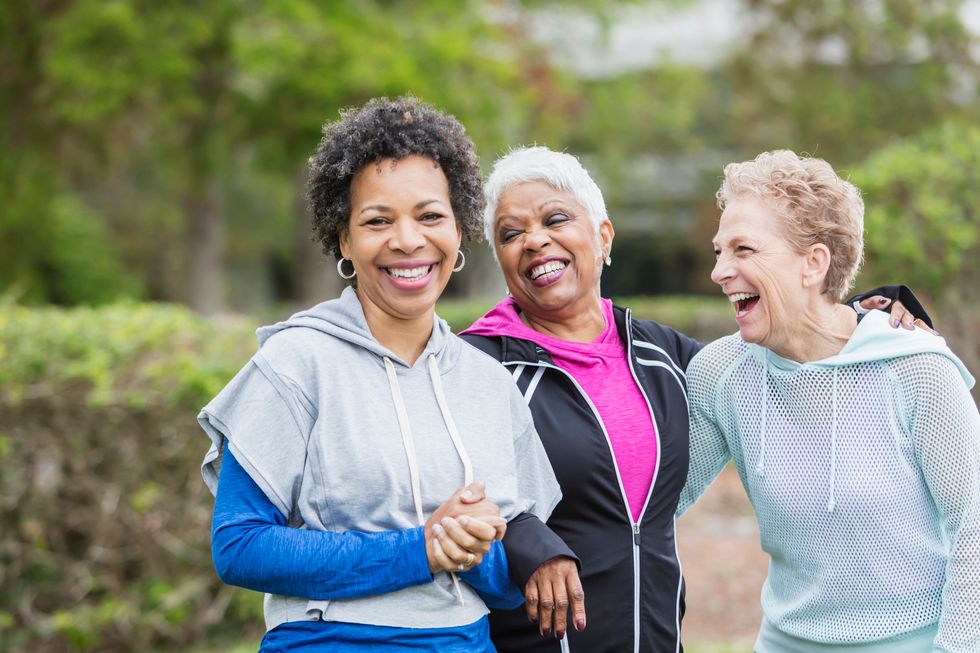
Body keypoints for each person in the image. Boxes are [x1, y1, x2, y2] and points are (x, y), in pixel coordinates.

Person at [457, 146, 927, 653]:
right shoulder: (474, 366)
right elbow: (444, 489)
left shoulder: (663, 355)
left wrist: (863, 316)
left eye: (556, 218)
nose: (534, 240)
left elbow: (783, 364)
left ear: (604, 236)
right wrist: (526, 537)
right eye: (510, 233)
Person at [197, 97, 562, 652]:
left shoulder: (488, 383)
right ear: (343, 240)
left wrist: (477, 546)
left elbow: (506, 581)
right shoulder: (296, 363)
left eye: (430, 216)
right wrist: (423, 549)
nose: (408, 241)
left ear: (460, 229)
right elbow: (240, 547)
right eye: (377, 221)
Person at [680, 150, 980, 652]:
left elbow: (975, 529)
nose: (719, 271)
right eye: (718, 251)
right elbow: (650, 500)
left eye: (743, 249)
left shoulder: (916, 370)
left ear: (813, 263)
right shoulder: (720, 373)